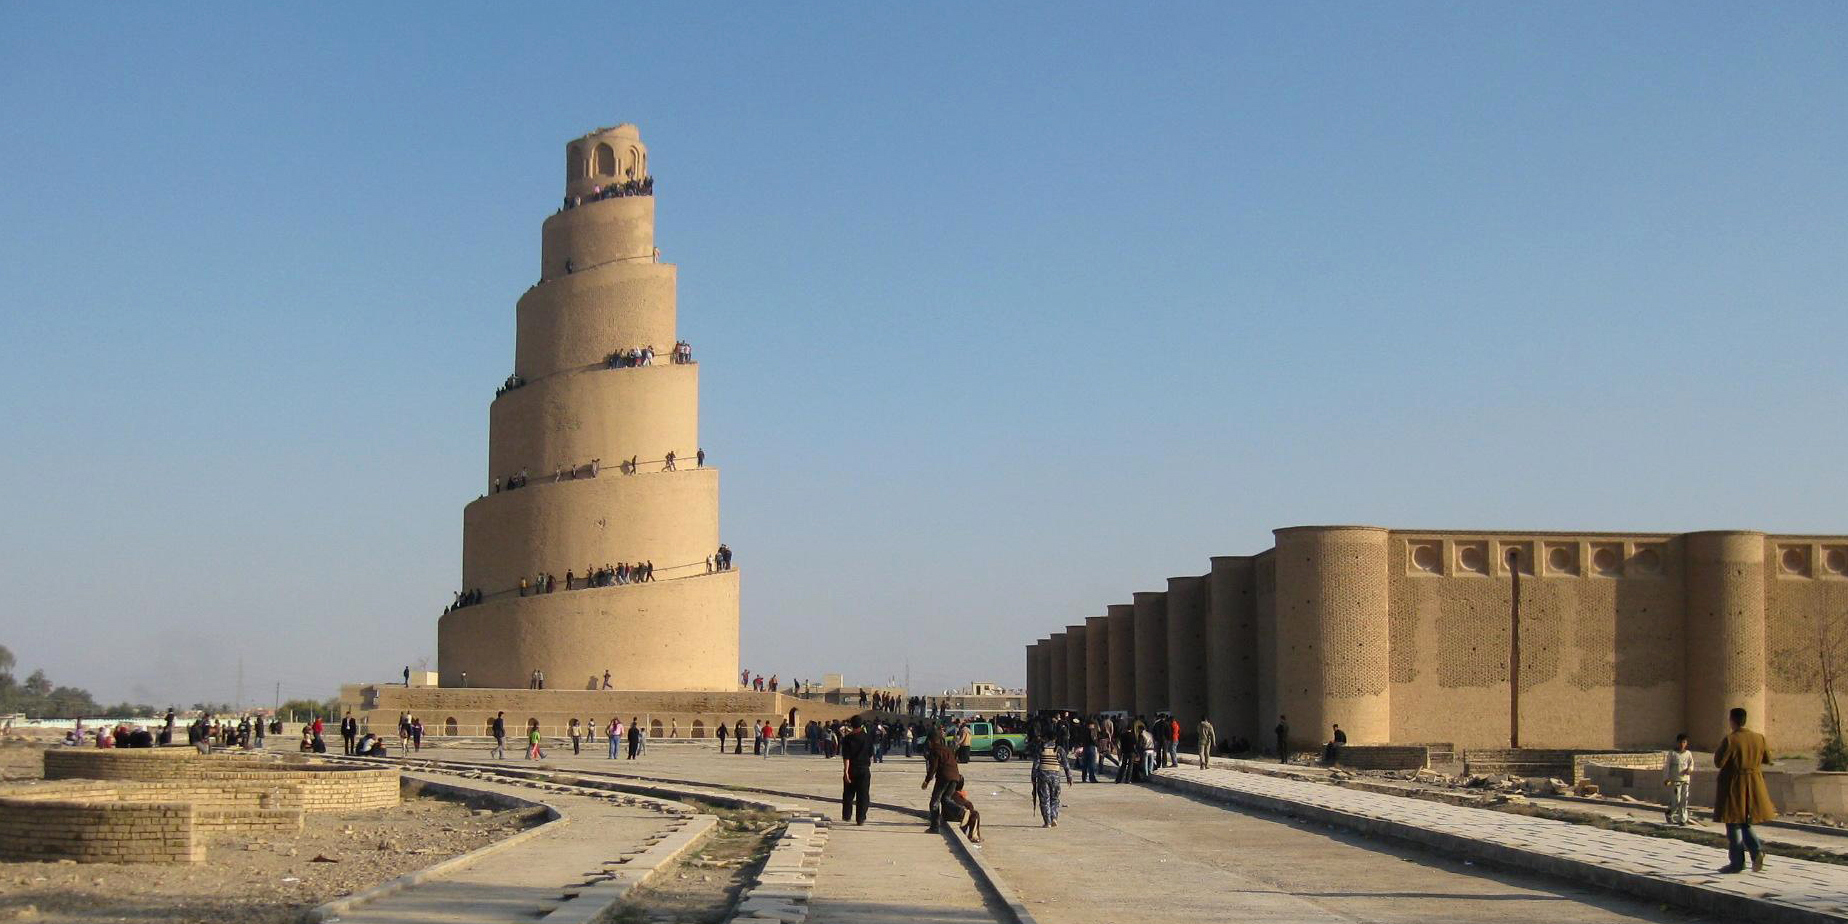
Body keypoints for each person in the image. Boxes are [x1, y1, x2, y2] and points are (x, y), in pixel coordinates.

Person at [1714, 707, 1775, 873]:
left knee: (1733, 823)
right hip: (1754, 784)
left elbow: (1719, 762)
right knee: (1745, 821)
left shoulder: (1731, 740)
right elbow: (1767, 759)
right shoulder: (1759, 738)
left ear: (1732, 720)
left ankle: (1737, 862)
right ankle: (1756, 851)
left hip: (1735, 785)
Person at [922, 727, 964, 834]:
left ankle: (935, 827)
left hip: (944, 778)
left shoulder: (935, 751)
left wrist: (926, 781)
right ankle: (961, 812)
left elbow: (933, 768)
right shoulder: (947, 749)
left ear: (930, 741)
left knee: (934, 802)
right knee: (946, 799)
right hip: (955, 777)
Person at [839, 715, 873, 825]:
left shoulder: (848, 738)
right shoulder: (867, 737)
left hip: (852, 769)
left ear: (851, 725)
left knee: (848, 794)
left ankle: (847, 815)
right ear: (862, 725)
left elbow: (846, 757)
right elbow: (871, 754)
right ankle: (861, 818)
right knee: (863, 794)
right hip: (864, 769)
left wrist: (846, 772)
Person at [1032, 733, 1062, 827]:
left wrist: (1033, 777)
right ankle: (1054, 818)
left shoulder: (1041, 748)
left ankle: (1047, 822)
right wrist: (1069, 777)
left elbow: (1036, 764)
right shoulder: (1058, 749)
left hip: (1043, 776)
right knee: (1055, 799)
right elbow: (1065, 763)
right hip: (1055, 777)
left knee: (1044, 799)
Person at [1663, 733, 1694, 825]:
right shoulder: (1672, 753)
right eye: (1680, 742)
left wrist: (1689, 770)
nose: (1682, 744)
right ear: (1677, 742)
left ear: (1686, 743)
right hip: (1675, 780)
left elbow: (1691, 764)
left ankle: (1682, 820)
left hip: (1685, 780)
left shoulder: (1688, 754)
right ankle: (1669, 813)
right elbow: (1667, 767)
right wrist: (1666, 778)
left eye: (1684, 742)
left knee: (1684, 800)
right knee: (1676, 800)